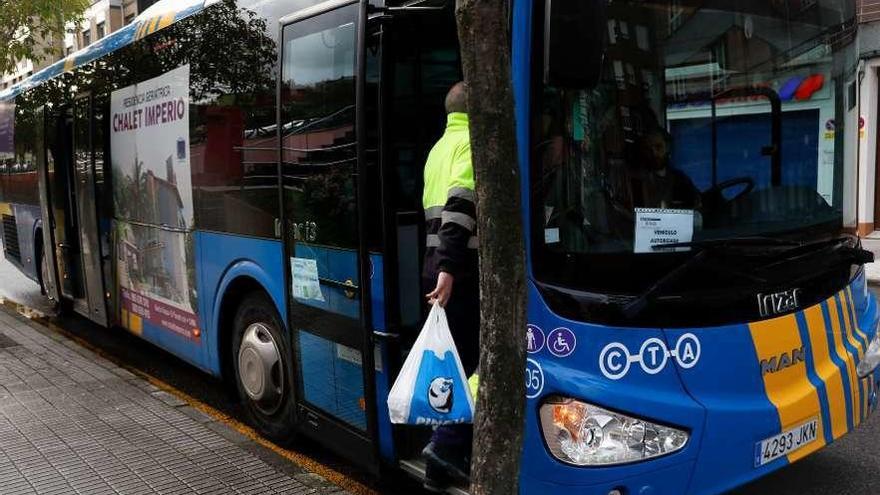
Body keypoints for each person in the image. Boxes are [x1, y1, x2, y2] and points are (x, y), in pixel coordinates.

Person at [420, 81, 479, 492]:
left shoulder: (438, 148)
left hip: (436, 269)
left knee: (450, 363)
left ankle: (442, 461)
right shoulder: (472, 143)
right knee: (473, 366)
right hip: (458, 273)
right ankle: (445, 446)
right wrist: (450, 269)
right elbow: (459, 209)